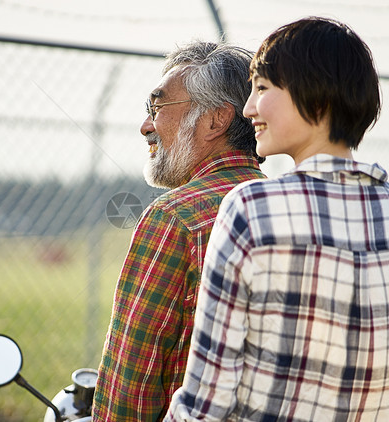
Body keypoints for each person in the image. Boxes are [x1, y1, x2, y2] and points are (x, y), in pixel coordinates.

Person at [165, 18, 389, 422]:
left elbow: (205, 402)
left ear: (316, 100)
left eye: (263, 89)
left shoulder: (248, 211)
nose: (249, 107)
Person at [92, 41, 266, 421]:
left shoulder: (175, 218)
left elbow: (131, 384)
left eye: (157, 107)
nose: (145, 126)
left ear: (215, 120)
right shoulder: (288, 208)